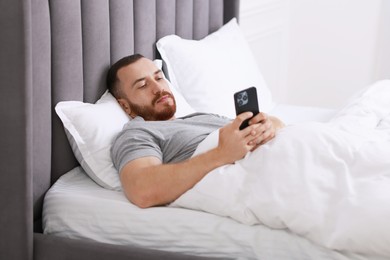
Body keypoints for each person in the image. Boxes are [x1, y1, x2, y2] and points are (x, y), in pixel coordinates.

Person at [107, 54, 285, 208]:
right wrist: (221, 154)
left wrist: (268, 125)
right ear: (125, 106)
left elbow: (279, 124)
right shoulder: (137, 133)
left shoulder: (200, 117)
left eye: (159, 78)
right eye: (143, 85)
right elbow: (142, 189)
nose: (158, 88)